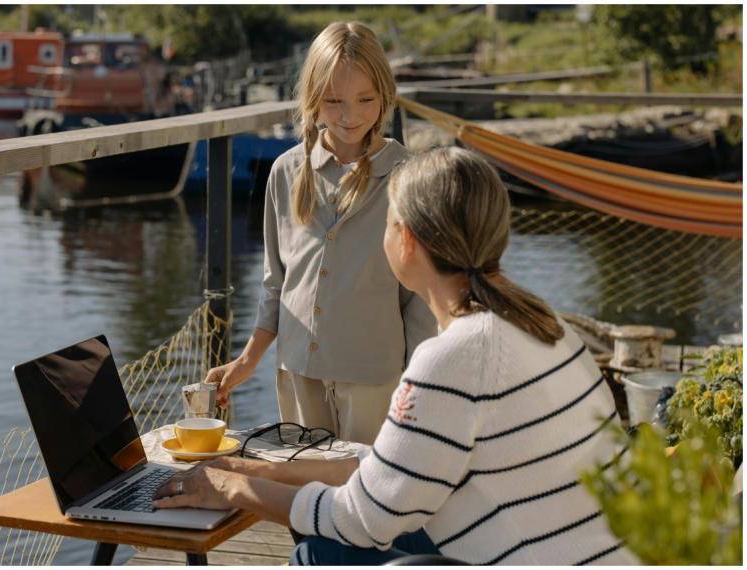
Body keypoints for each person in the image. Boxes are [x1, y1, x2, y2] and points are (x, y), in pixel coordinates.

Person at [155, 147, 637, 565]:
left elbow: (358, 520)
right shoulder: (544, 325)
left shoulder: (452, 360)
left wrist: (228, 490)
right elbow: (397, 465)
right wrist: (256, 470)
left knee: (318, 551)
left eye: (386, 221)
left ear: (406, 241)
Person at [204, 21, 435, 445]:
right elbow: (276, 282)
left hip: (374, 379)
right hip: (297, 374)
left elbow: (420, 299)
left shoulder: (410, 180)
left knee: (368, 498)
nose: (351, 116)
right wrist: (247, 360)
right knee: (305, 496)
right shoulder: (284, 172)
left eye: (365, 99)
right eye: (333, 101)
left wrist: (419, 383)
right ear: (312, 99)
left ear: (385, 95)